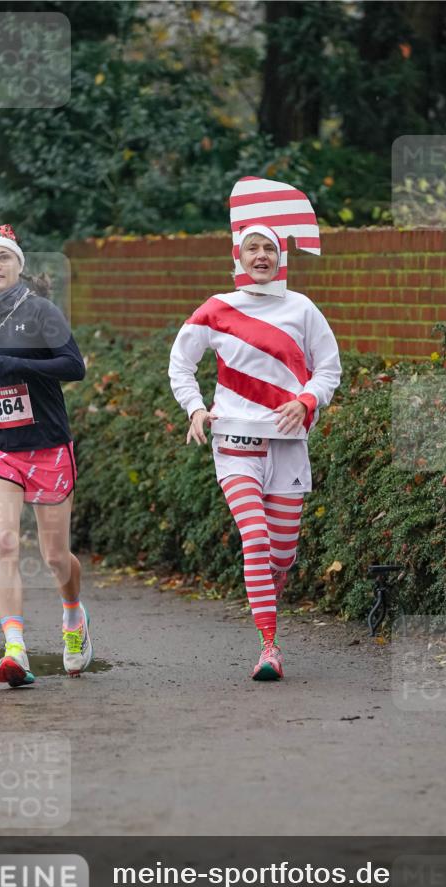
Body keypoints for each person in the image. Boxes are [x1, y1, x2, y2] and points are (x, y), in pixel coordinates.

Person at [169, 176, 341, 681]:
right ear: (238, 255)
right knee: (255, 538)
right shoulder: (216, 308)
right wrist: (196, 409)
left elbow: (329, 368)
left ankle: (271, 608)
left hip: (288, 446)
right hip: (235, 440)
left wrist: (308, 398)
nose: (261, 255)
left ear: (281, 255)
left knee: (282, 554)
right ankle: (269, 646)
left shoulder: (303, 309)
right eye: (252, 247)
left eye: (269, 247)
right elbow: (181, 364)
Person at [0, 225, 91, 687]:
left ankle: (73, 616)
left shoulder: (42, 311)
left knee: (54, 556)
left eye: (3, 259)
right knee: (4, 542)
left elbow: (75, 366)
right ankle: (15, 650)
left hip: (48, 445)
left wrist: (21, 364)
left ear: (18, 265)